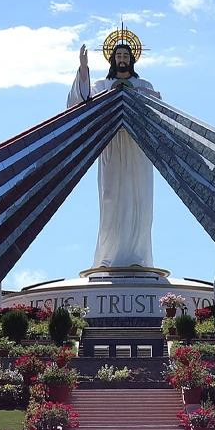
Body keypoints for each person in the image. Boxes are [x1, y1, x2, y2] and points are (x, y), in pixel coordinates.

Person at [67, 34, 158, 270]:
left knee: (139, 199)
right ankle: (108, 257)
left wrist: (138, 95)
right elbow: (81, 101)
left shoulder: (143, 85)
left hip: (137, 147)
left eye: (125, 55)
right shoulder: (102, 85)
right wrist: (84, 69)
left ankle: (138, 257)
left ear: (132, 59)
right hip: (111, 145)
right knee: (111, 199)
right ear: (112, 59)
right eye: (118, 55)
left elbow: (158, 106)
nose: (122, 59)